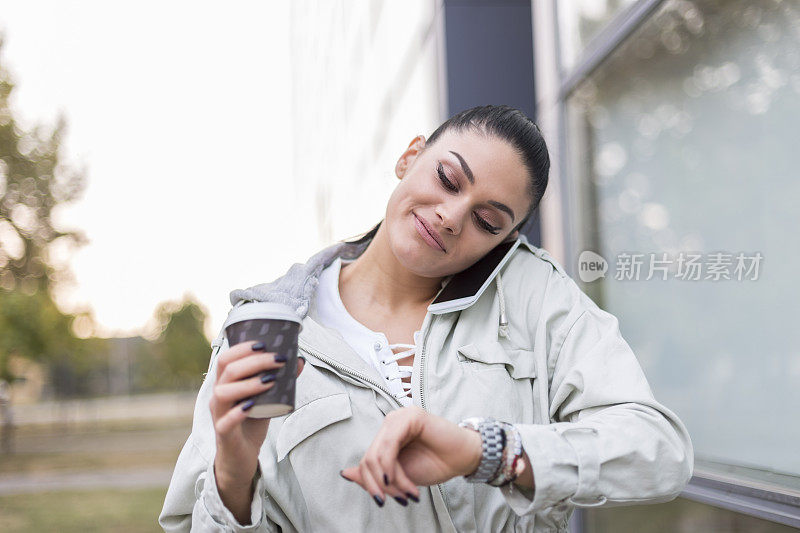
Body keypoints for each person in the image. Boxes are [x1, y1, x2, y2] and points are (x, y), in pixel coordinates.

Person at [159, 104, 693, 532]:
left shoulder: (533, 295)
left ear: (502, 241)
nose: (451, 216)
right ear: (410, 156)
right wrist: (234, 473)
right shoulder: (267, 330)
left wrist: (491, 453)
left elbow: (659, 450)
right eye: (447, 177)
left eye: (486, 221)